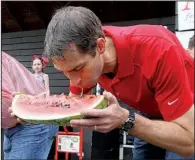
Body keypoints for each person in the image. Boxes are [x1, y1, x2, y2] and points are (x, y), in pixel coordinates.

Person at [12, 6, 194, 159]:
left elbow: (190, 141)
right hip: (149, 114)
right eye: (64, 73)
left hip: (186, 118)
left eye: (77, 69)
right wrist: (35, 115)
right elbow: (71, 110)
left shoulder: (158, 49)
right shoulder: (83, 56)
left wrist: (125, 120)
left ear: (100, 46)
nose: (74, 82)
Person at [3, 52, 58, 160]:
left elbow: (46, 90)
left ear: (42, 66)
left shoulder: (45, 76)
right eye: (35, 64)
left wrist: (41, 102)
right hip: (10, 126)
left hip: (35, 119)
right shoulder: (32, 75)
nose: (36, 66)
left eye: (38, 64)